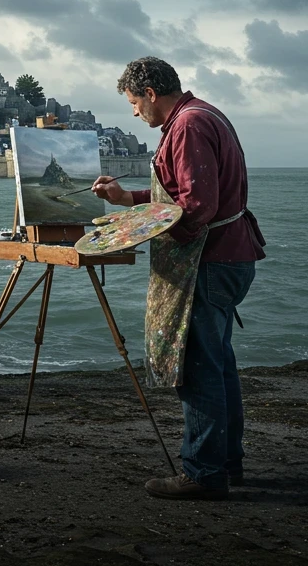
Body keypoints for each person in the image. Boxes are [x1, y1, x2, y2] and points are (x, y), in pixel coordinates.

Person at [92, 57, 265, 501]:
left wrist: (137, 231)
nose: (134, 113)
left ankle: (204, 473)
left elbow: (197, 207)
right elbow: (180, 195)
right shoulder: (204, 113)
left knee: (199, 366)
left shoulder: (186, 127)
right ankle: (227, 462)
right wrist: (126, 199)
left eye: (134, 103)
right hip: (232, 256)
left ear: (151, 93)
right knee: (219, 362)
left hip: (210, 261)